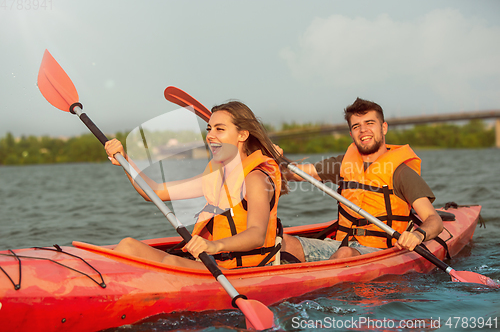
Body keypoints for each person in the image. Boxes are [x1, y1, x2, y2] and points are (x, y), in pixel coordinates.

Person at [105, 101, 288, 269]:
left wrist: (213, 245)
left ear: (242, 135)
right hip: (213, 261)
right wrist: (126, 162)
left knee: (172, 263)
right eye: (209, 129)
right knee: (127, 246)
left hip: (241, 270)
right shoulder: (216, 178)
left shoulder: (255, 178)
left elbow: (257, 235)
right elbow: (153, 192)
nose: (210, 136)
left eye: (219, 129)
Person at [280, 98, 443, 262]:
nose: (363, 130)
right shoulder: (343, 163)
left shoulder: (402, 173)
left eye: (370, 123)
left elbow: (434, 220)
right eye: (356, 126)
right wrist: (275, 158)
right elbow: (294, 173)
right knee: (283, 242)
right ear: (351, 134)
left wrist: (418, 234)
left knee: (345, 254)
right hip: (339, 245)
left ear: (383, 128)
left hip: (380, 251)